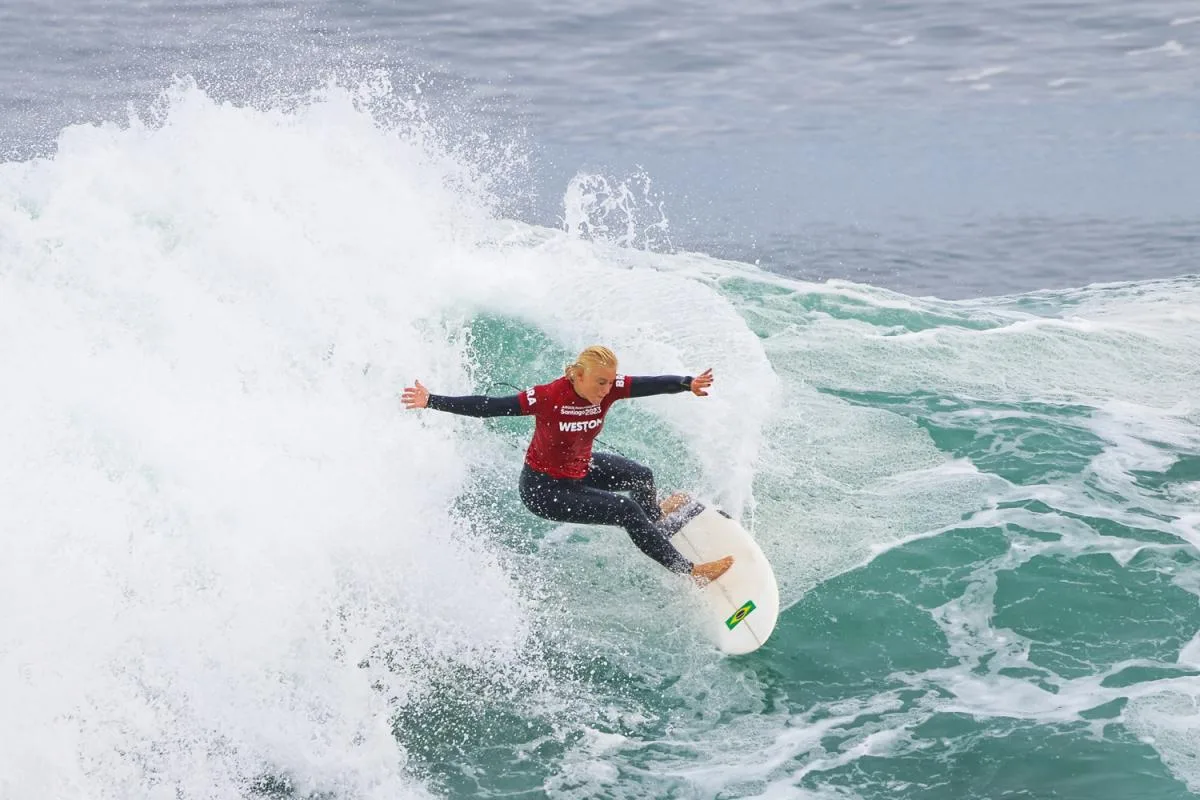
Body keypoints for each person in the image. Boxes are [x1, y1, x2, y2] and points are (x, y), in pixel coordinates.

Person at [401, 346, 735, 585]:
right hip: (545, 490)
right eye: (599, 383)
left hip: (580, 467)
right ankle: (691, 572)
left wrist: (686, 383)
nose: (606, 390)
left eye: (610, 382)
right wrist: (431, 400)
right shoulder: (548, 396)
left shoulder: (609, 388)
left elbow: (649, 384)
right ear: (577, 375)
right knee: (625, 510)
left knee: (641, 476)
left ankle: (657, 520)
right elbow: (489, 406)